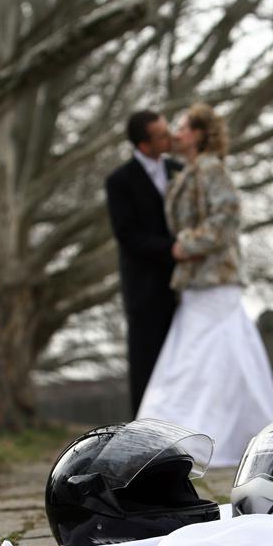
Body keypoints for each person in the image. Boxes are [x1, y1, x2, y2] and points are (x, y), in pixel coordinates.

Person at [137, 103, 273, 467]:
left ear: (200, 134)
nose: (176, 134)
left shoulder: (212, 169)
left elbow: (227, 217)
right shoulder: (187, 172)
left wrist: (185, 246)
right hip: (195, 282)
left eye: (183, 127)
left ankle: (212, 438)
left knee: (211, 358)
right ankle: (186, 436)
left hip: (215, 279)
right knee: (197, 360)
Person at [105, 110, 183, 416]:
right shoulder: (119, 181)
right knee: (146, 363)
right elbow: (127, 235)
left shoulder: (179, 170)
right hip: (145, 288)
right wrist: (172, 250)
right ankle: (144, 428)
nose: (170, 137)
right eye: (162, 135)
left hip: (184, 284)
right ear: (143, 144)